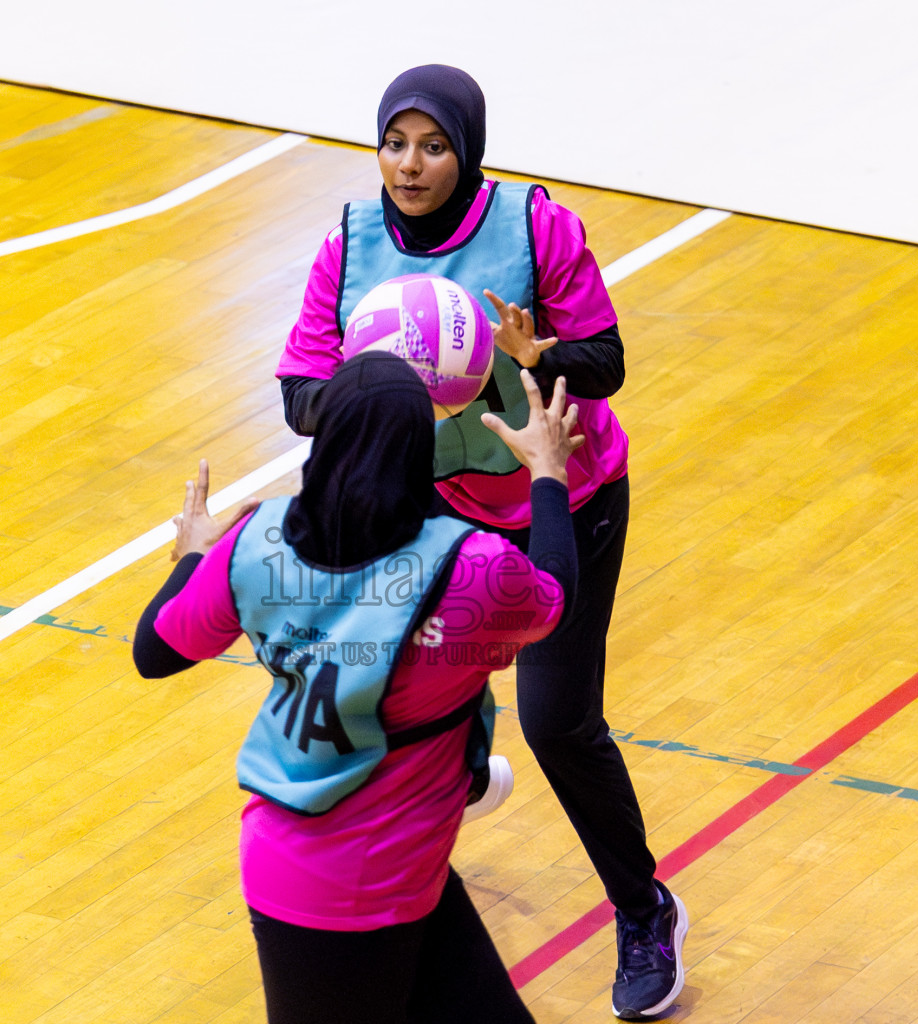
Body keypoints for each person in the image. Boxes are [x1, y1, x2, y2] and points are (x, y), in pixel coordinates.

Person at [275, 65, 687, 1019]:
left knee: (557, 722)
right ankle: (459, 769)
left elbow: (608, 363)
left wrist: (536, 354)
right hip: (438, 511)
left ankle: (645, 910)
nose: (410, 165)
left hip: (563, 497)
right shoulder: (349, 243)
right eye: (395, 143)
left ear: (468, 152)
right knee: (384, 694)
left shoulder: (534, 227)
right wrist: (377, 376)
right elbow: (299, 391)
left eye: (433, 145)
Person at [135, 351, 584, 1024]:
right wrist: (547, 474)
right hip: (347, 893)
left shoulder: (252, 542)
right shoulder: (475, 568)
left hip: (357, 862)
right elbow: (557, 596)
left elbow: (156, 651)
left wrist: (198, 553)